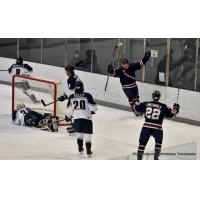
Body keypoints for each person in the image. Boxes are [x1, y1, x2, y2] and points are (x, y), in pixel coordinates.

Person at [132, 91, 180, 160]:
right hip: (157, 127)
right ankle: (156, 157)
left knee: (142, 143)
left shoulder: (146, 104)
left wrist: (135, 100)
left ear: (152, 96)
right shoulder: (163, 106)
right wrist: (176, 108)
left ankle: (139, 158)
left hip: (146, 126)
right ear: (159, 97)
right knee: (158, 142)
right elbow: (172, 114)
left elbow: (136, 108)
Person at [107, 51, 151, 116]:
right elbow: (113, 72)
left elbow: (141, 64)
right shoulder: (120, 70)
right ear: (122, 65)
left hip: (134, 86)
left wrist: (145, 58)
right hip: (126, 87)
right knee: (131, 98)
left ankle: (138, 109)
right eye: (124, 64)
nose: (126, 65)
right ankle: (134, 110)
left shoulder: (132, 66)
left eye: (127, 64)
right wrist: (110, 70)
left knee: (137, 99)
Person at [65, 81, 97, 157]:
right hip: (87, 117)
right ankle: (88, 150)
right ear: (82, 87)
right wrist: (93, 111)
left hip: (76, 118)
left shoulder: (72, 96)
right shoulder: (87, 95)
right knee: (87, 134)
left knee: (79, 133)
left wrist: (68, 116)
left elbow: (69, 110)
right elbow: (93, 108)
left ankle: (80, 147)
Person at [57, 65, 81, 133]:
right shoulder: (76, 76)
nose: (65, 72)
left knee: (71, 112)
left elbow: (71, 91)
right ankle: (74, 125)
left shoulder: (71, 79)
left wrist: (64, 97)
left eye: (66, 71)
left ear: (69, 71)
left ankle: (75, 126)